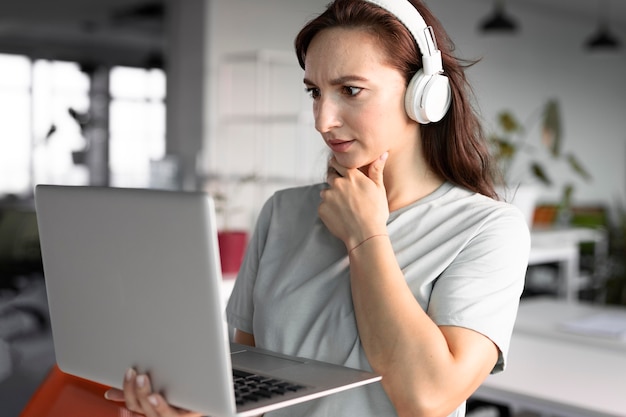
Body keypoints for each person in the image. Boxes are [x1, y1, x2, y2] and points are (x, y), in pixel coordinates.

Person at [105, 0, 530, 416]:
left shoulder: (489, 229)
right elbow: (248, 383)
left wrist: (366, 235)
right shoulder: (282, 212)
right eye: (314, 92)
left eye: (350, 90)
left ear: (424, 95)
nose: (322, 120)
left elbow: (426, 399)